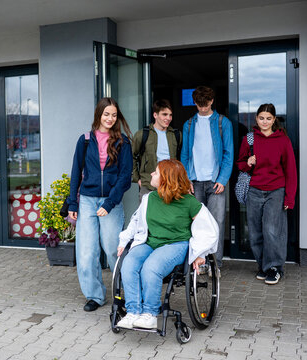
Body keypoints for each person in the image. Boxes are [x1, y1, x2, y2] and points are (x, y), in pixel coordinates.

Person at [116, 159, 219, 329]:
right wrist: (124, 240)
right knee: (129, 264)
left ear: (165, 178)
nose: (151, 174)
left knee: (151, 267)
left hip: (176, 245)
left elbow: (208, 229)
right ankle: (133, 311)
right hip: (150, 242)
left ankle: (149, 313)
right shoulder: (150, 198)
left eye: (155, 172)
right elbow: (135, 221)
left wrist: (200, 253)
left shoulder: (189, 202)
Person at [67, 97, 133, 311]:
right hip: (86, 200)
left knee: (113, 249)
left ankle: (121, 293)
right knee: (86, 252)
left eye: (114, 115)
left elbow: (124, 177)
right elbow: (76, 172)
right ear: (99, 115)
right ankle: (95, 296)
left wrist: (110, 202)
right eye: (106, 114)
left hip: (110, 202)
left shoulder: (123, 142)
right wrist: (72, 204)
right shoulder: (85, 140)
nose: (110, 118)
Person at [236, 103, 297, 285]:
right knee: (255, 232)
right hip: (254, 190)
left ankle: (275, 267)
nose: (264, 121)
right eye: (261, 118)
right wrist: (248, 162)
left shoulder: (282, 140)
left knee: (272, 231)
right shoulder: (249, 139)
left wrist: (290, 198)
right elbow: (239, 164)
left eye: (268, 118)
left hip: (276, 191)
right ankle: (263, 265)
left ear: (274, 120)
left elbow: (291, 171)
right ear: (256, 119)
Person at [180, 86, 234, 269]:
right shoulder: (188, 124)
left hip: (215, 181)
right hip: (194, 182)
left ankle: (215, 264)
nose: (203, 108)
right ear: (195, 103)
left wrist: (223, 178)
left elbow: (228, 153)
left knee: (216, 223)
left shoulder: (223, 122)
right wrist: (186, 179)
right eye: (199, 104)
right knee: (196, 223)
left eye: (206, 104)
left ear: (212, 101)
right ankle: (199, 263)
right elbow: (184, 155)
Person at [132, 99, 181, 200]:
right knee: (147, 215)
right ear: (155, 115)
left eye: (170, 115)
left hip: (171, 185)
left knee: (169, 215)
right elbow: (131, 156)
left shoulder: (176, 135)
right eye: (164, 114)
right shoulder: (142, 134)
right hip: (148, 185)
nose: (168, 118)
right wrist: (137, 179)